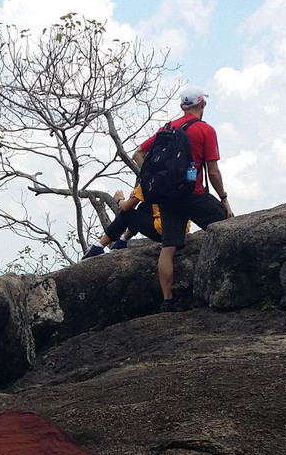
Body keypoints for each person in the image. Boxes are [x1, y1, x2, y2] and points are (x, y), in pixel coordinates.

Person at [133, 85, 234, 312]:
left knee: (168, 247)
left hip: (168, 198)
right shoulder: (205, 130)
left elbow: (138, 153)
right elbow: (213, 171)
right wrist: (224, 199)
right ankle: (229, 287)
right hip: (194, 194)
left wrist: (153, 178)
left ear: (182, 106)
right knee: (228, 229)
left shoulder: (166, 129)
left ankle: (167, 302)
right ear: (202, 104)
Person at [81, 184, 162, 259]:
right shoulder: (169, 176)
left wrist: (119, 199)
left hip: (161, 231)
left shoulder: (149, 179)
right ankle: (122, 242)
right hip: (172, 230)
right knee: (144, 207)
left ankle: (98, 247)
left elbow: (126, 207)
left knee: (127, 214)